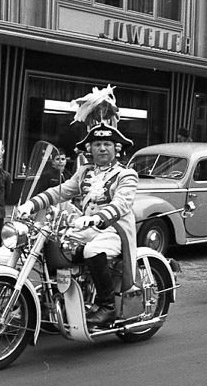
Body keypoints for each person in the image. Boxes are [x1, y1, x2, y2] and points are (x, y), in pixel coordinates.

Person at [19, 89, 138, 327]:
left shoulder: (126, 174)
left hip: (114, 231)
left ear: (116, 149)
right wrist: (31, 204)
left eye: (107, 144)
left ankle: (106, 306)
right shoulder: (84, 172)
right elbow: (60, 191)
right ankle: (53, 298)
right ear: (89, 149)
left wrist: (96, 218)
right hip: (86, 228)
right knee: (53, 246)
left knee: (92, 251)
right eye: (97, 144)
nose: (102, 149)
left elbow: (121, 203)